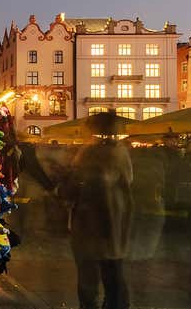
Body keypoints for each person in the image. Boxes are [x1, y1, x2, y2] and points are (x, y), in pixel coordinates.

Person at [62, 111, 133, 309]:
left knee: (89, 272)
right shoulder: (120, 152)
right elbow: (127, 182)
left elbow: (77, 183)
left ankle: (94, 305)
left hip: (91, 219)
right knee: (112, 270)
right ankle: (115, 304)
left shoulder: (90, 152)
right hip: (114, 218)